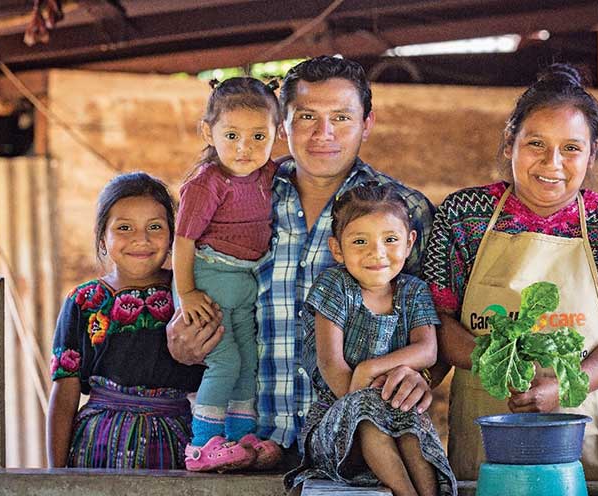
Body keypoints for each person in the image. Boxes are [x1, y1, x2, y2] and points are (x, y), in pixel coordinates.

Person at [165, 55, 437, 468]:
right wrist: (182, 340)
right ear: (283, 125)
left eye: (342, 117)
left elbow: (430, 318)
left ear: (367, 123)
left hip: (354, 446)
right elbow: (196, 270)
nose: (322, 133)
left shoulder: (402, 210)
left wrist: (421, 377)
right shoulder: (239, 195)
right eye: (306, 115)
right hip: (249, 447)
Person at [424, 63, 598, 481]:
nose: (553, 163)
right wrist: (502, 367)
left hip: (589, 422)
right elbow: (435, 320)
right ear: (510, 142)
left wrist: (565, 386)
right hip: (489, 419)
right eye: (536, 144)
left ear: (593, 153)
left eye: (571, 148)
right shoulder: (462, 217)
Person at [284, 183, 457, 495]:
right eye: (360, 241)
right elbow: (330, 363)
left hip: (390, 405)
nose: (377, 252)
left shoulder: (413, 290)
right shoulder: (334, 286)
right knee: (369, 414)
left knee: (412, 422)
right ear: (337, 249)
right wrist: (363, 393)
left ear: (409, 243)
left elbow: (428, 350)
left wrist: (369, 369)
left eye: (390, 240)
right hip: (335, 422)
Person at [46, 172, 205, 469]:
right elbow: (65, 392)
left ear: (173, 236)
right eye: (124, 227)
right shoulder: (84, 301)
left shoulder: (189, 295)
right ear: (102, 237)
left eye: (155, 227)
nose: (141, 239)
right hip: (99, 446)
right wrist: (57, 477)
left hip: (178, 446)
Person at [172, 76, 283, 471]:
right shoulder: (207, 184)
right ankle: (203, 445)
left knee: (249, 361)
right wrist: (185, 292)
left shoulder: (268, 175)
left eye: (258, 136)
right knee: (225, 362)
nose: (244, 147)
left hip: (244, 281)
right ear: (208, 131)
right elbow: (183, 242)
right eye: (232, 134)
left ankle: (240, 438)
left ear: (277, 132)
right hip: (207, 279)